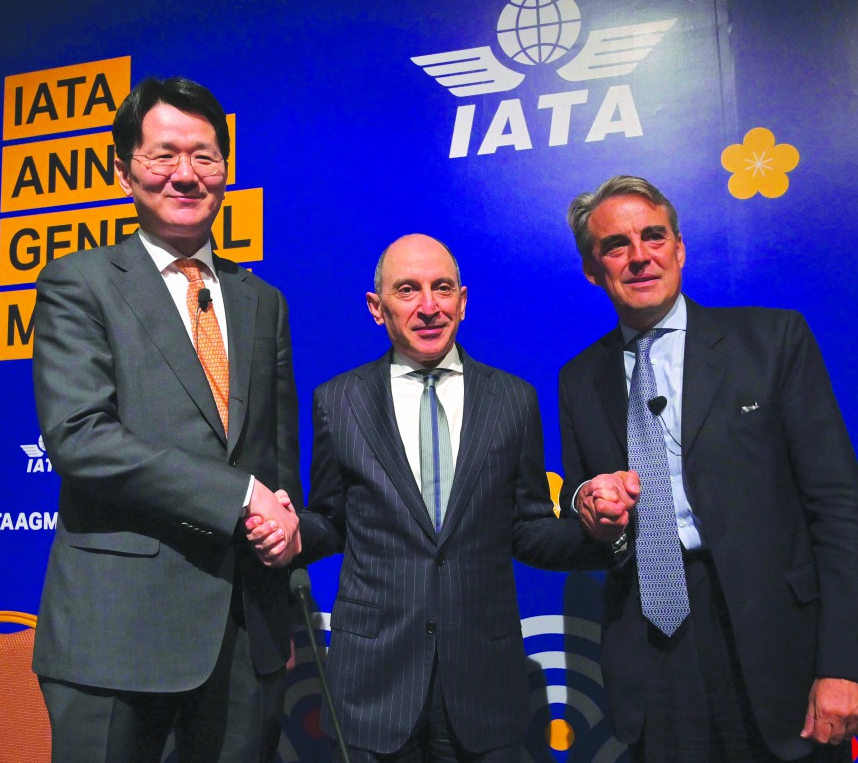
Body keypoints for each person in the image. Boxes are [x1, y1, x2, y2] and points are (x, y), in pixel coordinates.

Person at [560, 175, 858, 762]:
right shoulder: (579, 380)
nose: (639, 256)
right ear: (592, 269)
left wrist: (845, 662)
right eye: (615, 245)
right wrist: (592, 514)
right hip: (654, 651)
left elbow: (837, 507)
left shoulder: (771, 339)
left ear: (679, 249)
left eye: (653, 236)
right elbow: (586, 522)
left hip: (779, 641)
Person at [30, 76, 301, 763]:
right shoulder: (78, 282)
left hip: (245, 634)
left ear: (227, 170)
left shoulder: (261, 300)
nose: (186, 174)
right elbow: (80, 437)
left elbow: (274, 459)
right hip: (116, 634)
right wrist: (237, 497)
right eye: (163, 155)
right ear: (125, 171)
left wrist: (285, 523)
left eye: (205, 156)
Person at [258, 234, 610, 762]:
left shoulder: (513, 399)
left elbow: (529, 528)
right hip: (374, 679)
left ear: (462, 302)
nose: (428, 306)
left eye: (441, 288)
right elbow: (331, 518)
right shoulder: (338, 401)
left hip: (484, 680)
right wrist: (290, 535)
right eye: (408, 290)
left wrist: (595, 531)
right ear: (377, 308)